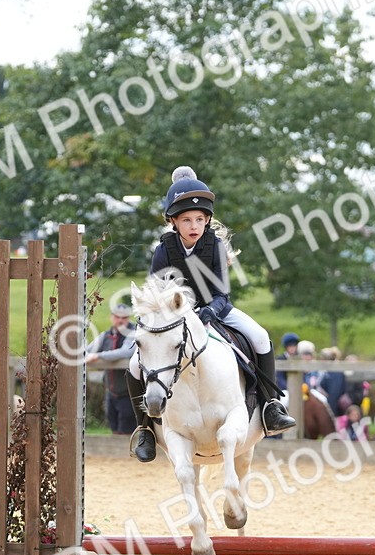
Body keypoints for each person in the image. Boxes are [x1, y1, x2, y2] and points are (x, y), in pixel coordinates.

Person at [126, 167, 297, 461]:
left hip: (216, 312)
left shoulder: (214, 245)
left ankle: (271, 406)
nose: (194, 226)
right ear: (174, 222)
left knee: (260, 337)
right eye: (187, 220)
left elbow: (221, 295)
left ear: (207, 221)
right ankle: (146, 429)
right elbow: (155, 295)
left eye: (200, 220)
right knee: (133, 364)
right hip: (173, 321)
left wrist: (206, 313)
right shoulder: (163, 250)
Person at [85, 297, 137, 436]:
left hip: (129, 391)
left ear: (128, 318)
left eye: (124, 318)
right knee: (113, 424)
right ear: (112, 317)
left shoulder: (133, 333)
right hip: (111, 390)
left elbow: (126, 351)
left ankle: (126, 456)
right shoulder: (105, 335)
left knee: (127, 426)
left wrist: (100, 356)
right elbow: (88, 351)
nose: (120, 321)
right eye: (117, 317)